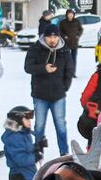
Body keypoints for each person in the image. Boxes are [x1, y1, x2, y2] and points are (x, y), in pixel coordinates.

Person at [24, 21, 76, 156]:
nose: (52, 40)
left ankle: (64, 153)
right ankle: (38, 151)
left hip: (58, 95)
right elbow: (28, 67)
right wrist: (43, 68)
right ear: (44, 37)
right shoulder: (35, 49)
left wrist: (64, 87)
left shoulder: (65, 51)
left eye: (55, 37)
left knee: (61, 126)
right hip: (40, 94)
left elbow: (69, 70)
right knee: (39, 125)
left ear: (58, 37)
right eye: (49, 37)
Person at [1, 105, 41, 180]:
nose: (29, 122)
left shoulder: (24, 133)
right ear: (18, 120)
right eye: (26, 119)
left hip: (28, 174)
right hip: (20, 178)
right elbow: (20, 160)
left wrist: (36, 147)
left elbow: (26, 149)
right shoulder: (14, 137)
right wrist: (35, 157)